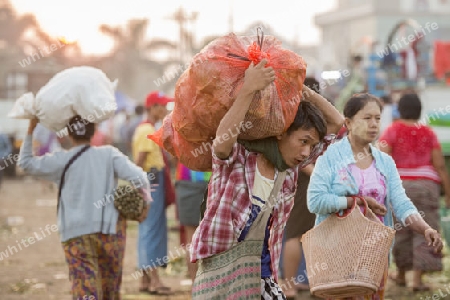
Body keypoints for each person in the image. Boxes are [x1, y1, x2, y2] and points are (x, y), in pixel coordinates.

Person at [190, 59, 344, 299]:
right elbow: (221, 144)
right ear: (282, 133)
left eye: (311, 145)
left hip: (262, 275)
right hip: (221, 273)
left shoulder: (289, 168)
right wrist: (249, 88)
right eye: (303, 141)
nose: (307, 152)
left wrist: (301, 91)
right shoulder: (240, 157)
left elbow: (336, 122)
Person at [307, 93, 443, 300]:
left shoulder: (385, 162)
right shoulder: (331, 157)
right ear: (349, 123)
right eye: (367, 118)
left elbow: (401, 203)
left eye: (378, 118)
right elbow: (315, 201)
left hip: (374, 258)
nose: (373, 124)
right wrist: (356, 202)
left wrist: (425, 228)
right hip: (337, 256)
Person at [18, 116, 151, 299]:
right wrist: (145, 206)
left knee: (84, 289)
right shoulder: (109, 154)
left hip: (76, 234)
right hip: (110, 231)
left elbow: (25, 163)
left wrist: (30, 130)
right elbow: (142, 178)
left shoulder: (61, 159)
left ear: (70, 134)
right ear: (94, 131)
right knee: (109, 290)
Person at [378, 92, 450, 291]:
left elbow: (382, 160)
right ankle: (417, 281)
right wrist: (449, 194)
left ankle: (401, 275)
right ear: (420, 111)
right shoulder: (428, 132)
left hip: (400, 187)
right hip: (427, 186)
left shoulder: (391, 131)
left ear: (399, 110)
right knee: (425, 229)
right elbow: (440, 166)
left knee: (401, 231)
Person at [132, 91, 172, 295]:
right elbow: (139, 161)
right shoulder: (147, 129)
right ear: (154, 107)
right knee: (152, 230)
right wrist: (136, 187)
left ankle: (145, 280)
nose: (165, 110)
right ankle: (155, 280)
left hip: (150, 182)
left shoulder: (145, 128)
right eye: (163, 106)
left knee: (147, 229)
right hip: (152, 182)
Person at [175, 163, 211, 281]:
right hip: (211, 176)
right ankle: (206, 286)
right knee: (212, 237)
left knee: (190, 239)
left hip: (186, 179)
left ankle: (194, 286)